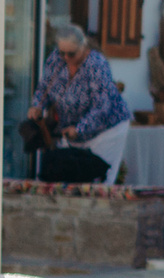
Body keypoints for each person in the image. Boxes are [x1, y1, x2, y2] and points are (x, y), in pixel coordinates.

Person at [28, 23, 131, 182]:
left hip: (106, 131)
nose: (66, 58)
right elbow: (45, 87)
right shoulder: (56, 59)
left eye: (71, 54)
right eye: (62, 53)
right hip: (73, 132)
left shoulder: (97, 65)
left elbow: (102, 107)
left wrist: (80, 128)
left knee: (97, 179)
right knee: (70, 179)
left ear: (83, 47)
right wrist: (37, 106)